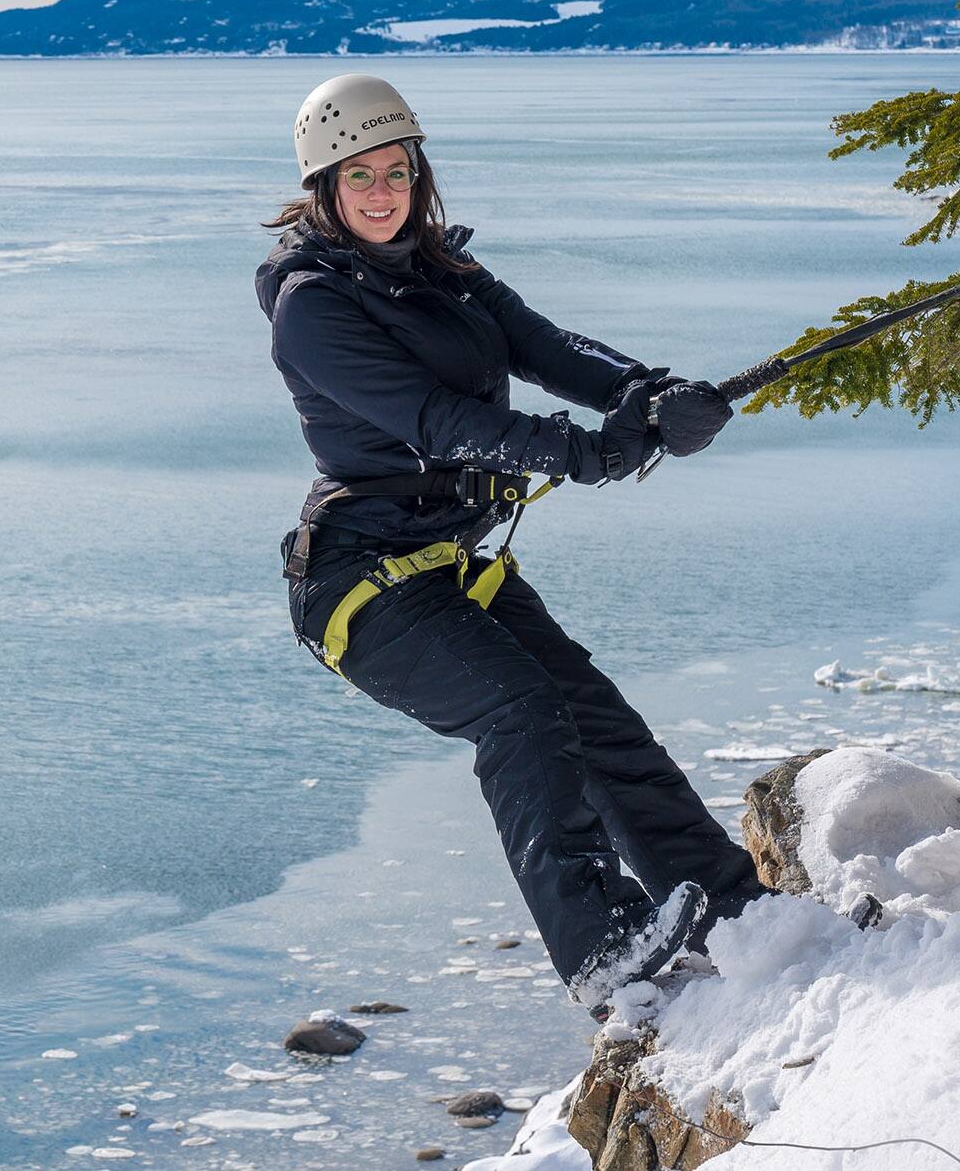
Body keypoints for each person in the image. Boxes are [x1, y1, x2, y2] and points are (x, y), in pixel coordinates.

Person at [256, 74, 771, 1016]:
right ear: (324, 187)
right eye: (359, 176)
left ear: (419, 174)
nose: (382, 193)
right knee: (523, 715)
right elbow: (437, 421)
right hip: (362, 584)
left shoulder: (442, 269)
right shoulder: (312, 306)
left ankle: (738, 917)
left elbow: (545, 345)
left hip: (449, 563)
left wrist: (650, 392)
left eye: (397, 172)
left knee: (597, 722)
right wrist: (585, 452)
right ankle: (603, 948)